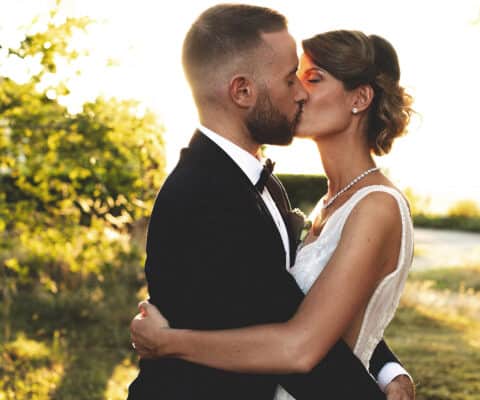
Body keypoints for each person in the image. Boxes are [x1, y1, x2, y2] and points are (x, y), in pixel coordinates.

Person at [126, 4, 414, 400]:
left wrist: (384, 368)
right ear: (242, 90)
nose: (299, 92)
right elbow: (296, 335)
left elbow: (303, 320)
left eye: (311, 78)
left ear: (360, 99)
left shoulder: (269, 187)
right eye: (292, 78)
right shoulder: (207, 195)